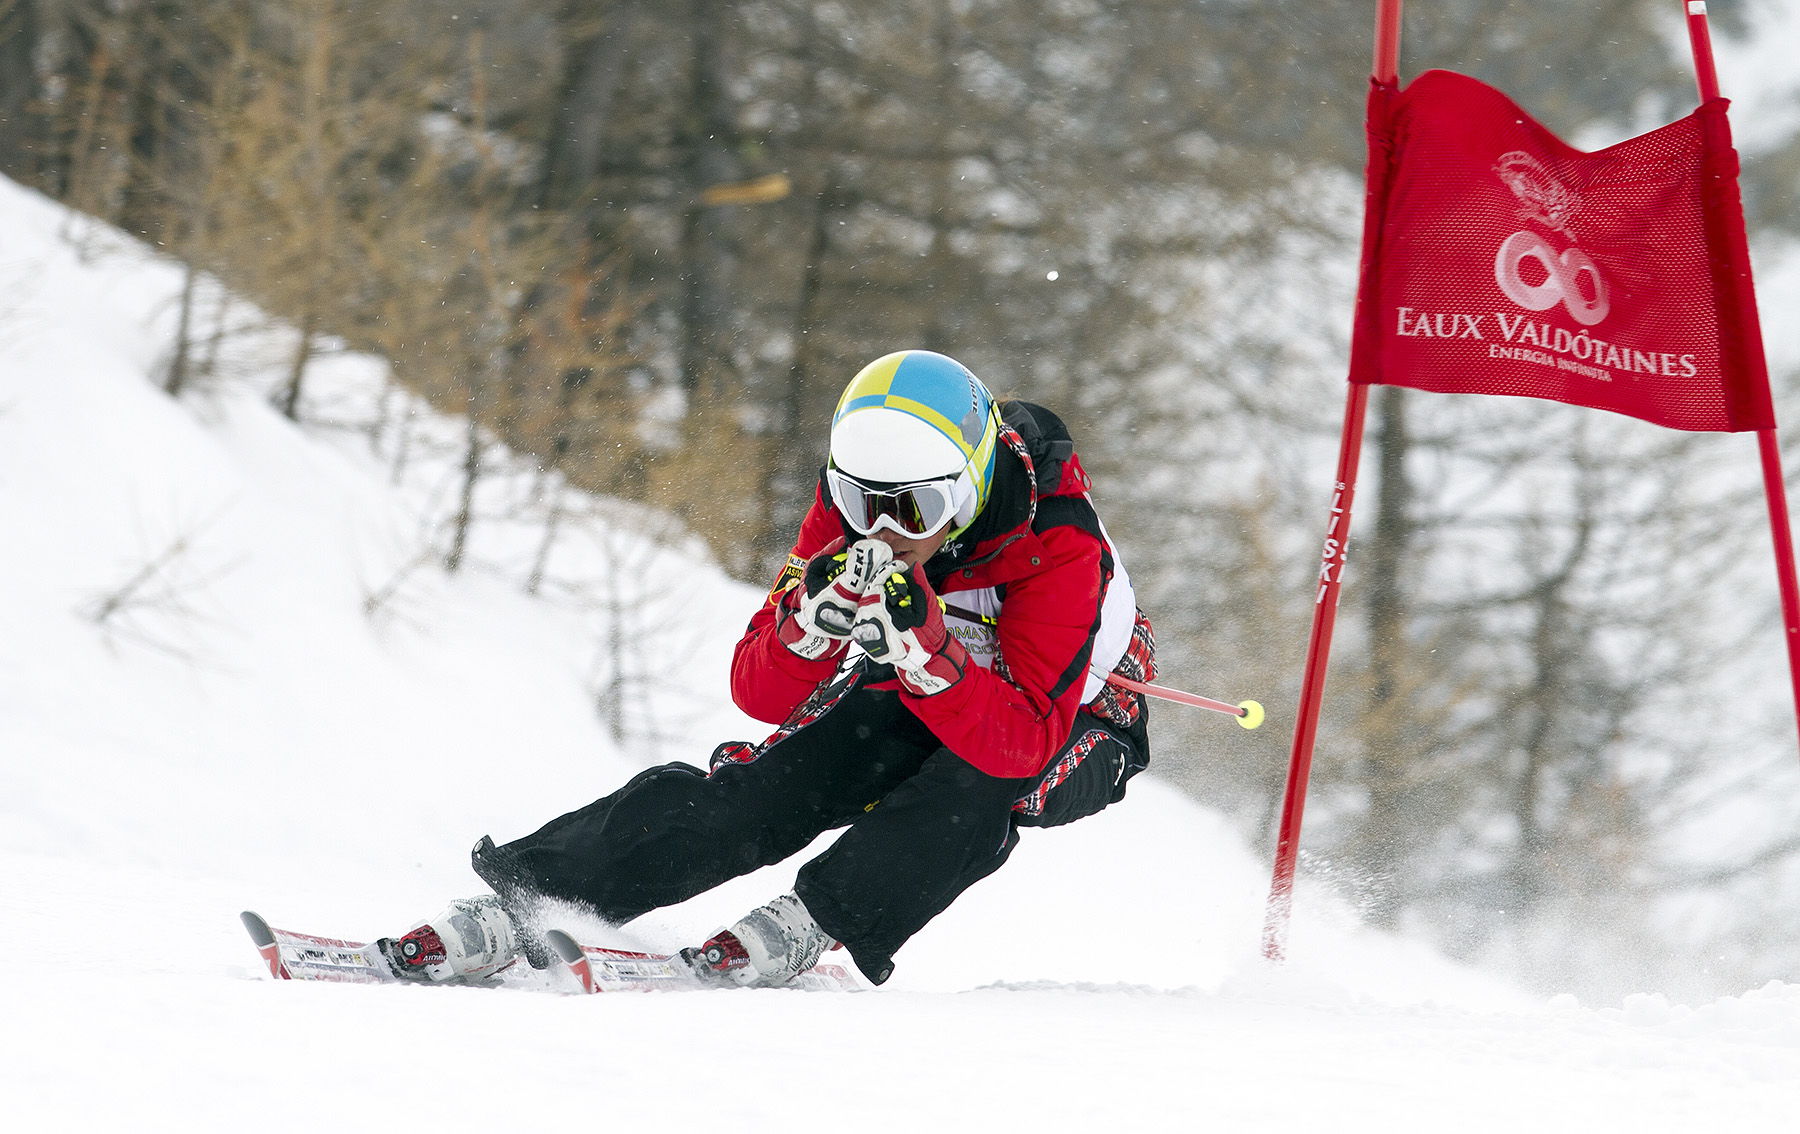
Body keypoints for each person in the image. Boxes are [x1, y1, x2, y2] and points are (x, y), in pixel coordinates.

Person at [379, 349, 1155, 987]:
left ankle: (824, 917)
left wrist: (926, 651)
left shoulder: (1061, 544)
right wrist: (807, 626)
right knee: (776, 782)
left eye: (914, 509)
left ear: (970, 486)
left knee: (978, 787)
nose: (884, 531)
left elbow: (1022, 739)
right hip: (926, 671)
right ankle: (538, 895)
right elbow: (758, 690)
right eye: (862, 503)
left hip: (1077, 719)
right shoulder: (849, 512)